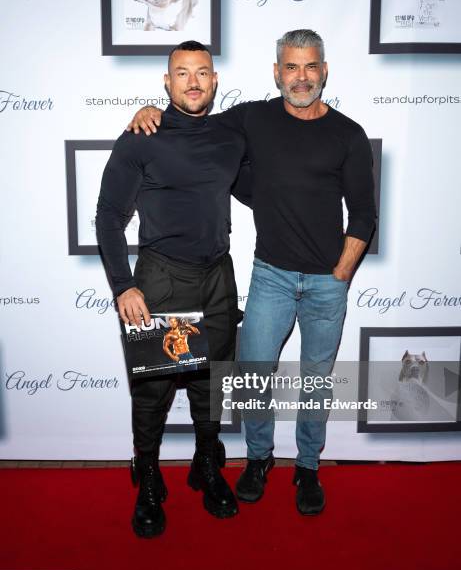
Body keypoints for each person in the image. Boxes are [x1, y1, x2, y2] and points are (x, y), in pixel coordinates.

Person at [127, 29, 376, 516]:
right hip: (271, 277)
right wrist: (148, 112)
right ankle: (259, 459)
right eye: (291, 66)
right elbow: (192, 118)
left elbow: (365, 214)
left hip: (328, 282)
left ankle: (307, 466)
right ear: (276, 72)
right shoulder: (254, 117)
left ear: (323, 71)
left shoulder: (349, 134)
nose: (300, 77)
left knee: (316, 380)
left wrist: (341, 272)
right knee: (254, 376)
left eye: (310, 67)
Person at [96, 40, 248, 538]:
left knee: (212, 384)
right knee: (154, 390)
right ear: (167, 82)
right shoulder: (142, 135)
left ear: (215, 79)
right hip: (161, 279)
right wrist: (123, 285)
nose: (193, 81)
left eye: (202, 72)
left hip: (218, 277)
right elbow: (109, 217)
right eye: (181, 73)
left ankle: (207, 466)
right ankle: (147, 477)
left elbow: (282, 121)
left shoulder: (232, 134)